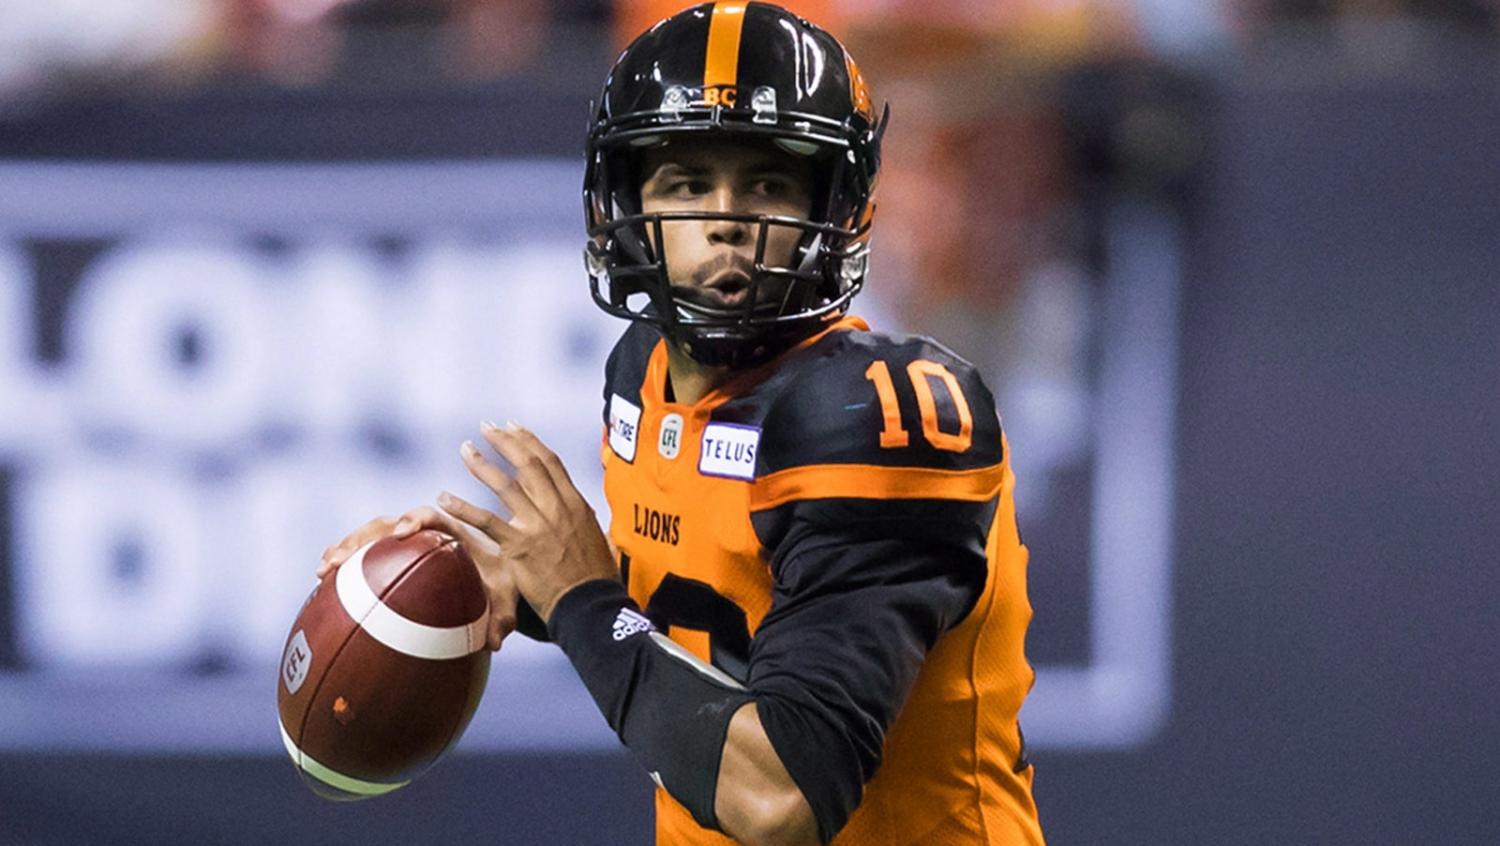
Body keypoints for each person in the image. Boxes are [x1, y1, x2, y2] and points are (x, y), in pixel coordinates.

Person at [318, 3, 1045, 843]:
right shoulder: (644, 372)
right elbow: (707, 603)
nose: (726, 219)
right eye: (688, 183)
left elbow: (781, 800)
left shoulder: (881, 419)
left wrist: (583, 603)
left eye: (767, 183)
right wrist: (518, 583)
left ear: (835, 206)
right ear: (623, 202)